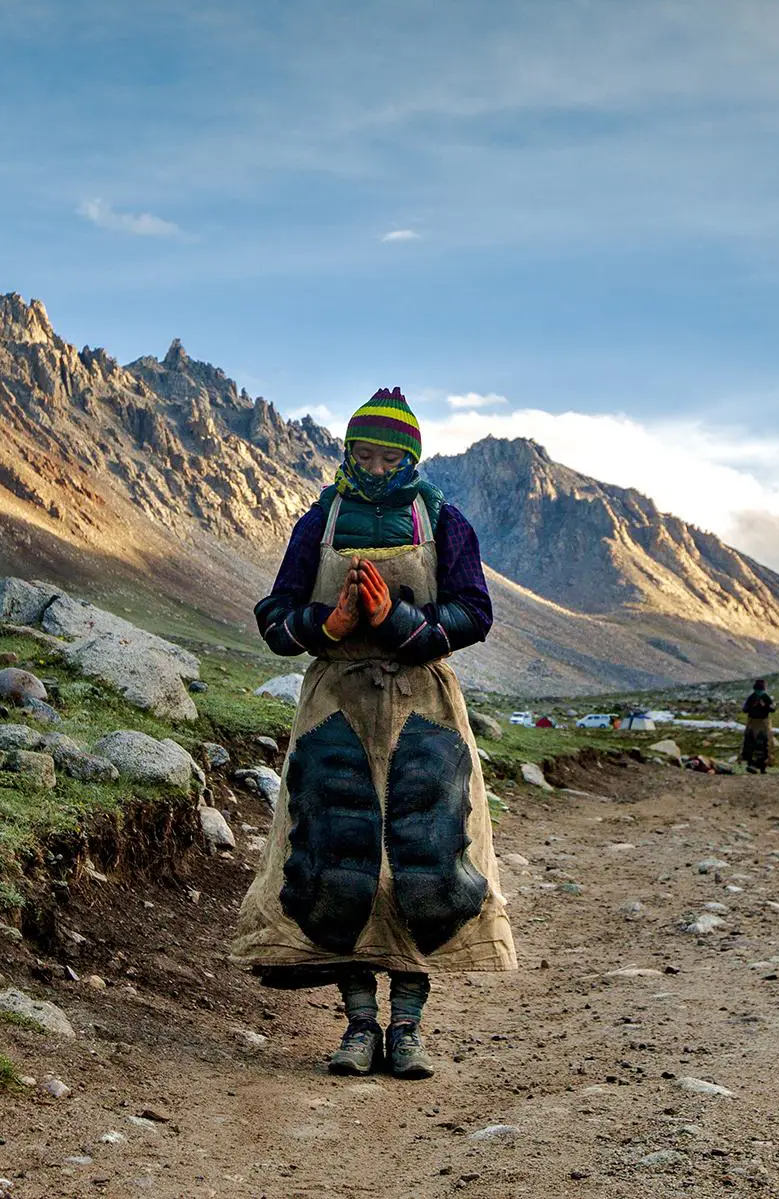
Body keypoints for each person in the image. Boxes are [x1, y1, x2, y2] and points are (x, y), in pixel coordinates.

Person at [232, 388, 513, 1078]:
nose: (378, 464)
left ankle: (408, 1027)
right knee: (338, 866)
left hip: (423, 709)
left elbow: (475, 612)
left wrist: (397, 622)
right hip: (337, 709)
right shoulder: (319, 519)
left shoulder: (442, 518)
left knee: (426, 867)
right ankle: (359, 1025)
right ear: (347, 450)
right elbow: (275, 616)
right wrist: (326, 627)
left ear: (411, 456)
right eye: (365, 451)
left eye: (391, 454)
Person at [741, 679, 775, 773]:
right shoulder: (752, 698)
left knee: (763, 744)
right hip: (753, 723)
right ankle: (751, 764)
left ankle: (762, 766)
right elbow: (745, 709)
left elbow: (772, 709)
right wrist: (753, 706)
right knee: (751, 744)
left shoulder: (766, 697)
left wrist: (764, 706)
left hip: (762, 723)